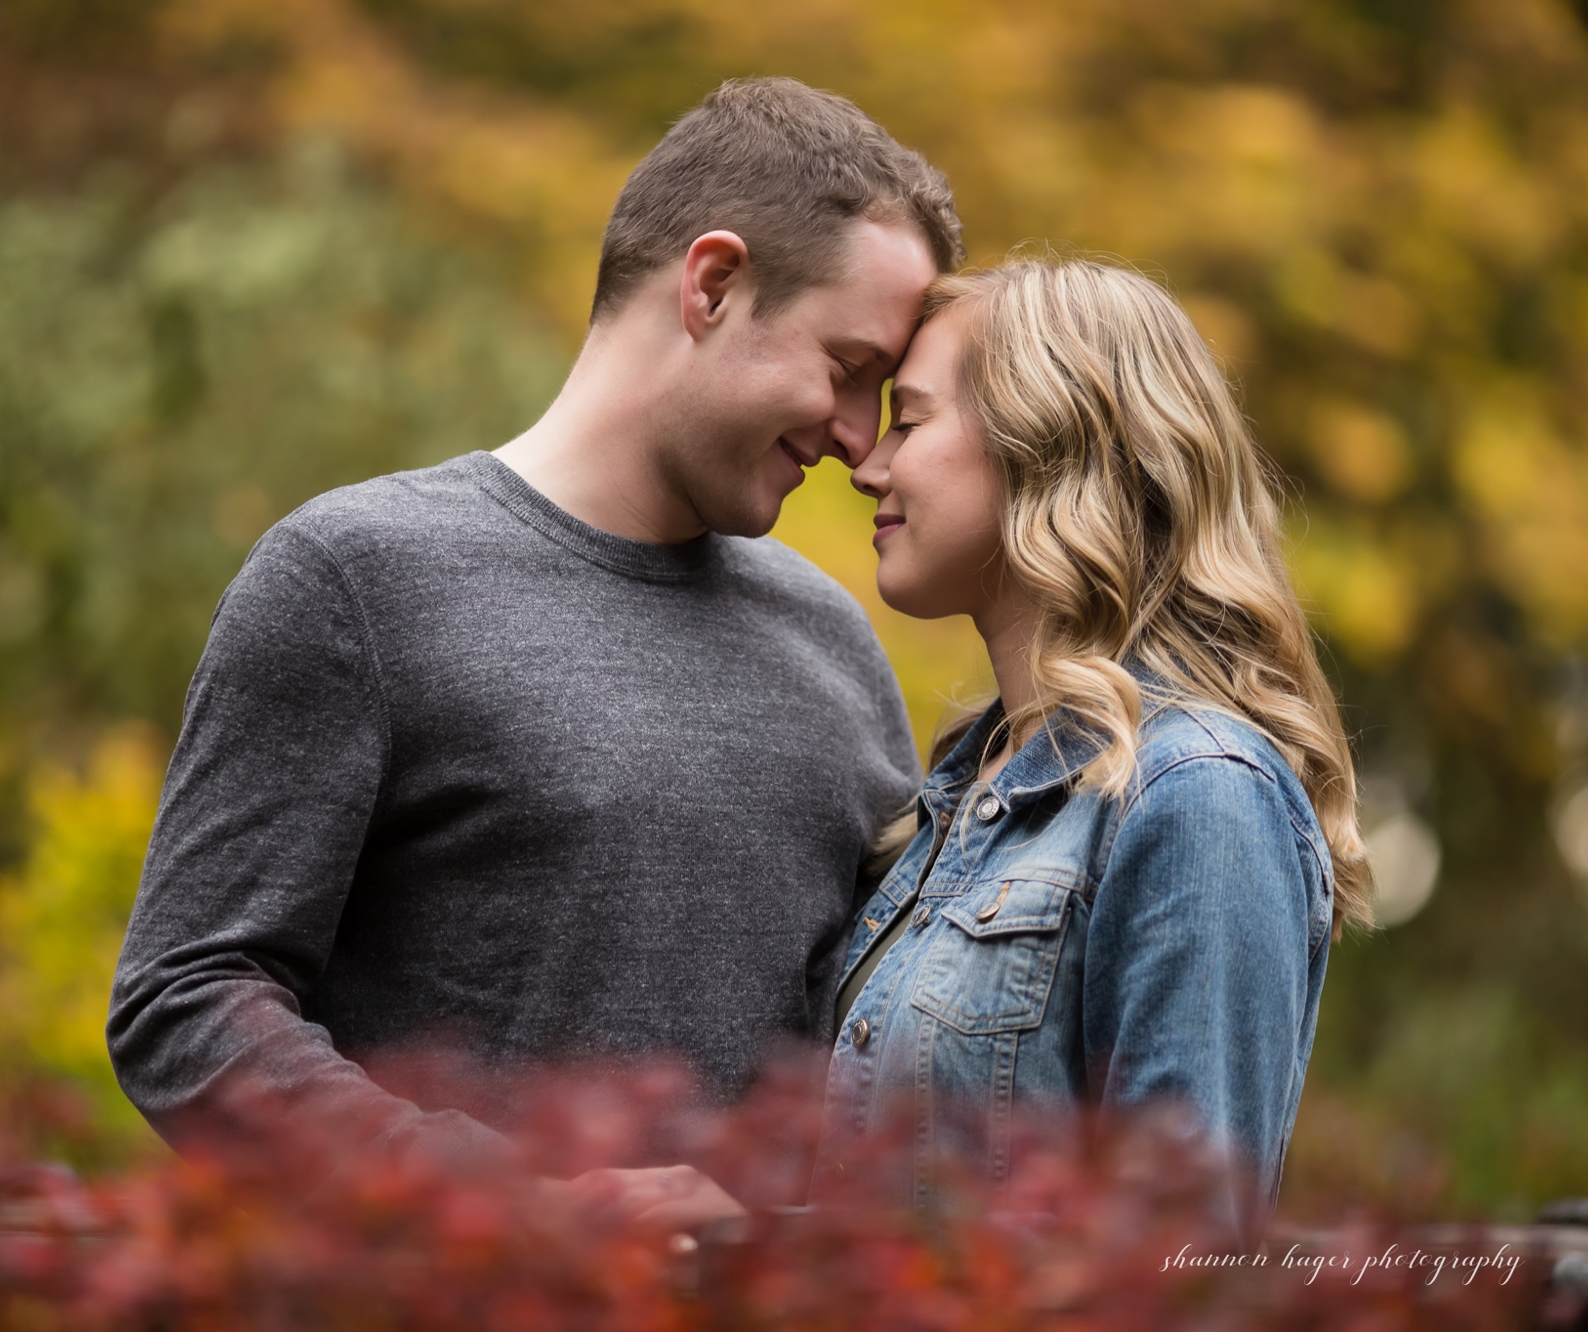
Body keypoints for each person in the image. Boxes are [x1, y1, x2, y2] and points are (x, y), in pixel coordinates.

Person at [106, 78, 963, 1228]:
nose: (860, 442)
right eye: (847, 368)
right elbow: (184, 1004)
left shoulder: (834, 644)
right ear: (712, 285)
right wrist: (512, 1208)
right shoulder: (356, 577)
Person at [812, 255, 1371, 1231]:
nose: (868, 465)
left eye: (909, 419)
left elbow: (1181, 1257)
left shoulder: (1199, 795)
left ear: (1046, 443)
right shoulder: (961, 788)